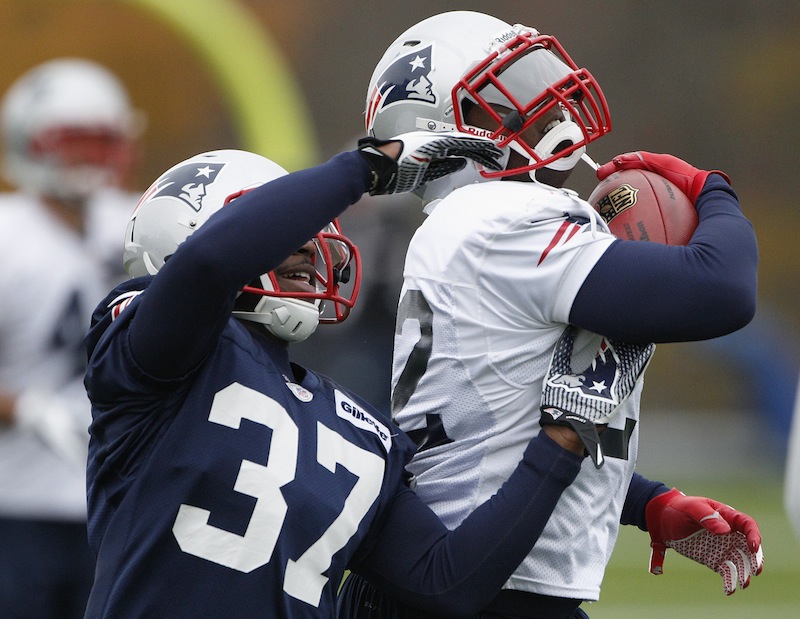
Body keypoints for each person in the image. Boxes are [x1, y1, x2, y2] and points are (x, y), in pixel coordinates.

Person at [79, 131, 646, 619]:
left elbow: (446, 581)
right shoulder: (155, 360)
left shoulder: (361, 432)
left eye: (308, 229)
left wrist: (563, 438)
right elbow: (207, 266)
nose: (304, 242)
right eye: (279, 227)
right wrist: (368, 166)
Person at [337, 11, 763, 618]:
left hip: (485, 567)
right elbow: (721, 290)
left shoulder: (468, 228)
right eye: (501, 97)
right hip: (480, 580)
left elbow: (494, 432)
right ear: (438, 131)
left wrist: (645, 503)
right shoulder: (494, 218)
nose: (546, 105)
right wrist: (710, 188)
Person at [0, 58, 143, 618]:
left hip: (116, 504)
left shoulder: (135, 223)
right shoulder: (8, 237)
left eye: (104, 140)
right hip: (15, 502)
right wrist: (23, 406)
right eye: (76, 140)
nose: (91, 156)